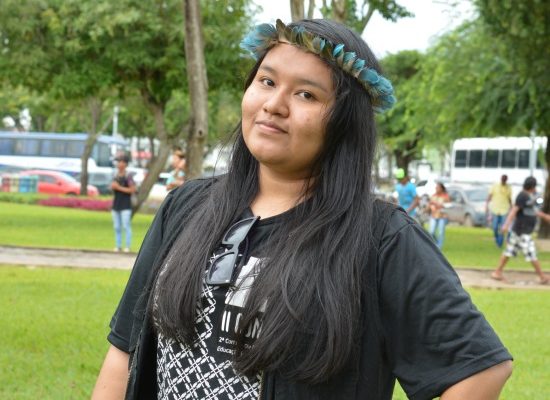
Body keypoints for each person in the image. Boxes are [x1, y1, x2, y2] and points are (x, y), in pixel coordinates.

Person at [92, 19, 512, 400]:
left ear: (344, 122)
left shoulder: (382, 239)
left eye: (306, 94)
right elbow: (124, 352)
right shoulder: (186, 207)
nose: (275, 104)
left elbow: (480, 371)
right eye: (267, 81)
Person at [492, 176, 550, 284]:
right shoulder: (522, 196)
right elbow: (513, 211)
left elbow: (534, 211)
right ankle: (542, 276)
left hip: (520, 231)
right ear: (532, 186)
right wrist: (506, 225)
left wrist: (545, 216)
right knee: (531, 253)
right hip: (522, 231)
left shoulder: (529, 196)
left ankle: (497, 272)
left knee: (509, 251)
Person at [110, 154, 136, 253]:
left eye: (121, 162)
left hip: (125, 205)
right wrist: (112, 187)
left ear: (125, 164)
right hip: (116, 204)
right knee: (116, 227)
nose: (119, 164)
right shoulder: (115, 175)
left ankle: (127, 246)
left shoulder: (128, 176)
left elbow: (132, 190)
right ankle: (118, 245)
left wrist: (118, 187)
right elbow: (113, 188)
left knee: (126, 226)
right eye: (118, 162)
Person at [486, 174, 512, 247]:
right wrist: (487, 205)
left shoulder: (508, 187)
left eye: (505, 180)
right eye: (503, 180)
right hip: (495, 209)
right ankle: (497, 239)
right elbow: (489, 196)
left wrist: (511, 207)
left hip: (504, 210)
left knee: (503, 228)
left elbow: (509, 198)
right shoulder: (495, 186)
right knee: (495, 227)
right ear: (501, 179)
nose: (503, 181)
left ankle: (500, 242)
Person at [428, 182, 450, 249]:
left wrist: (437, 205)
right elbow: (430, 205)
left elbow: (447, 206)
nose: (436, 189)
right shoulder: (433, 195)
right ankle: (436, 243)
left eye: (437, 187)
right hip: (433, 215)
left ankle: (439, 247)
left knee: (440, 232)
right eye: (436, 187)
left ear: (441, 188)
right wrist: (430, 206)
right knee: (431, 231)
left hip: (442, 216)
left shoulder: (445, 196)